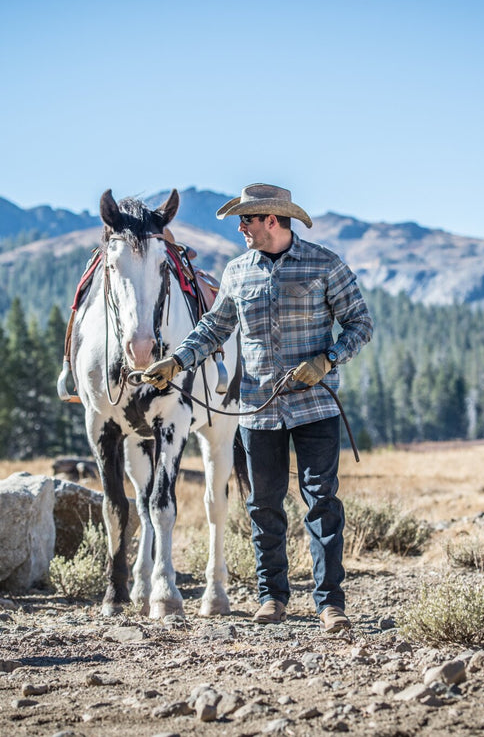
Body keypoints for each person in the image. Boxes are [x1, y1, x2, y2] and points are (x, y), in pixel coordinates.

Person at [141, 183, 373, 633]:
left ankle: (330, 604)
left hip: (316, 408)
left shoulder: (325, 264)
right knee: (262, 505)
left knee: (321, 502)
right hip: (256, 411)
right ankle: (273, 598)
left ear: (272, 220)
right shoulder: (236, 272)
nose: (240, 227)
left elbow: (361, 324)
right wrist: (177, 361)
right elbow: (214, 327)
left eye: (246, 219)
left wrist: (327, 359)